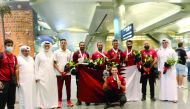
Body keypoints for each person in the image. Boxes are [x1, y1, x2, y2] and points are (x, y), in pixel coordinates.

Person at [35, 41, 58, 109]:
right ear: (43, 46)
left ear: (50, 46)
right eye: (45, 46)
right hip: (42, 76)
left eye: (48, 46)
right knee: (42, 91)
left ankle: (53, 105)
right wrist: (36, 76)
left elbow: (55, 64)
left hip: (51, 75)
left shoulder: (53, 54)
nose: (47, 47)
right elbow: (36, 66)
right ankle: (42, 105)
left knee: (52, 90)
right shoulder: (39, 55)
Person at [54, 39, 74, 107]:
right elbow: (54, 63)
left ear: (66, 43)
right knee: (59, 88)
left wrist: (66, 71)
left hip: (67, 73)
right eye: (62, 43)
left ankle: (69, 101)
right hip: (59, 74)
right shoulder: (56, 52)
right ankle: (59, 101)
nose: (63, 44)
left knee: (68, 88)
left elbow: (71, 63)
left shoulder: (69, 52)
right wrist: (60, 71)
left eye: (64, 43)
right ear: (60, 44)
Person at [157, 38, 178, 103]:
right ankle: (164, 97)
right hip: (162, 71)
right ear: (161, 44)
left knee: (171, 83)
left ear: (168, 43)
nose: (164, 44)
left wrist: (170, 65)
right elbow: (158, 61)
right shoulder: (159, 51)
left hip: (171, 70)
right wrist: (159, 70)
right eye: (163, 43)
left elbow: (176, 59)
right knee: (163, 83)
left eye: (166, 42)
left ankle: (173, 98)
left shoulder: (172, 51)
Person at [0, 39, 18, 109]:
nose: (10, 47)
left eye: (11, 45)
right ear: (5, 46)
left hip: (12, 83)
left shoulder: (14, 57)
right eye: (8, 45)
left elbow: (16, 68)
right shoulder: (1, 56)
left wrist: (17, 80)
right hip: (3, 83)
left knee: (11, 103)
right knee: (1, 102)